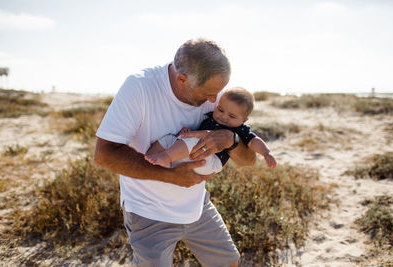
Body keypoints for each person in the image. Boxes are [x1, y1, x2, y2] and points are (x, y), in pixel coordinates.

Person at [94, 38, 256, 267]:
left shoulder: (218, 99)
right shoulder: (140, 87)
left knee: (229, 263)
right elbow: (105, 154)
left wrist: (232, 140)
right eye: (209, 94)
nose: (213, 101)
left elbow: (249, 160)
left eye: (218, 93)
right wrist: (171, 177)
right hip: (148, 213)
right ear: (182, 79)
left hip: (198, 207)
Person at [145, 87, 277, 174]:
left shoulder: (240, 128)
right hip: (196, 151)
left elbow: (254, 141)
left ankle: (165, 157)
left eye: (231, 116)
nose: (223, 117)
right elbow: (198, 131)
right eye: (220, 110)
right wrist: (187, 131)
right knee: (170, 139)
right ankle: (153, 160)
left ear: (244, 120)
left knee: (193, 141)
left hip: (211, 160)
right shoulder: (209, 117)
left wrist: (266, 153)